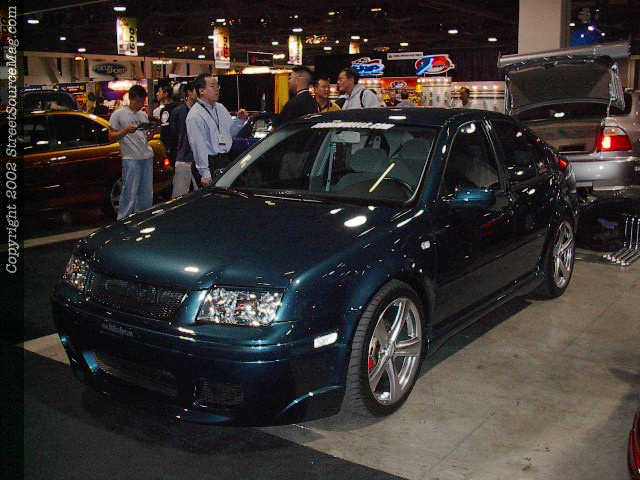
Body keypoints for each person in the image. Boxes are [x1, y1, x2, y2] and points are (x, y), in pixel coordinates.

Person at [108, 85, 155, 220]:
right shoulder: (118, 114)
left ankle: (143, 218)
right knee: (129, 190)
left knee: (146, 192)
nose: (140, 105)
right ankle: (124, 219)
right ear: (131, 99)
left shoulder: (143, 115)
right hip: (131, 158)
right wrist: (126, 131)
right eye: (138, 101)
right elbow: (111, 136)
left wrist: (150, 134)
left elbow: (144, 136)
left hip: (146, 156)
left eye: (142, 102)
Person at [186, 73, 234, 187]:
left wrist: (241, 120)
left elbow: (231, 130)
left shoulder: (220, 108)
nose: (217, 89)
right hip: (209, 163)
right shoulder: (195, 115)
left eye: (217, 86)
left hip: (224, 159)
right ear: (201, 91)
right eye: (212, 86)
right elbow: (198, 145)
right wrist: (205, 173)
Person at [169, 82, 198, 198]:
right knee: (179, 195)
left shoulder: (203, 111)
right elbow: (174, 134)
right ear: (189, 93)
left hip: (200, 159)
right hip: (184, 158)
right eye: (197, 90)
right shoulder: (178, 112)